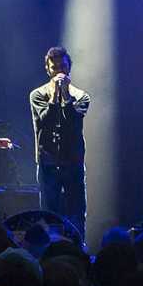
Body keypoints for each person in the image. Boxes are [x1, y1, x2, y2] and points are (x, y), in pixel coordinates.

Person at [30, 47, 91, 240]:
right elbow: (45, 120)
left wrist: (65, 96)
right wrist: (55, 96)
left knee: (76, 211)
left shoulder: (81, 96)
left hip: (73, 162)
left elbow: (72, 121)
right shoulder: (37, 95)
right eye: (54, 67)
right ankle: (50, 251)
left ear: (69, 68)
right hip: (48, 162)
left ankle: (78, 248)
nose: (59, 71)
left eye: (62, 66)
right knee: (49, 212)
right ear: (48, 70)